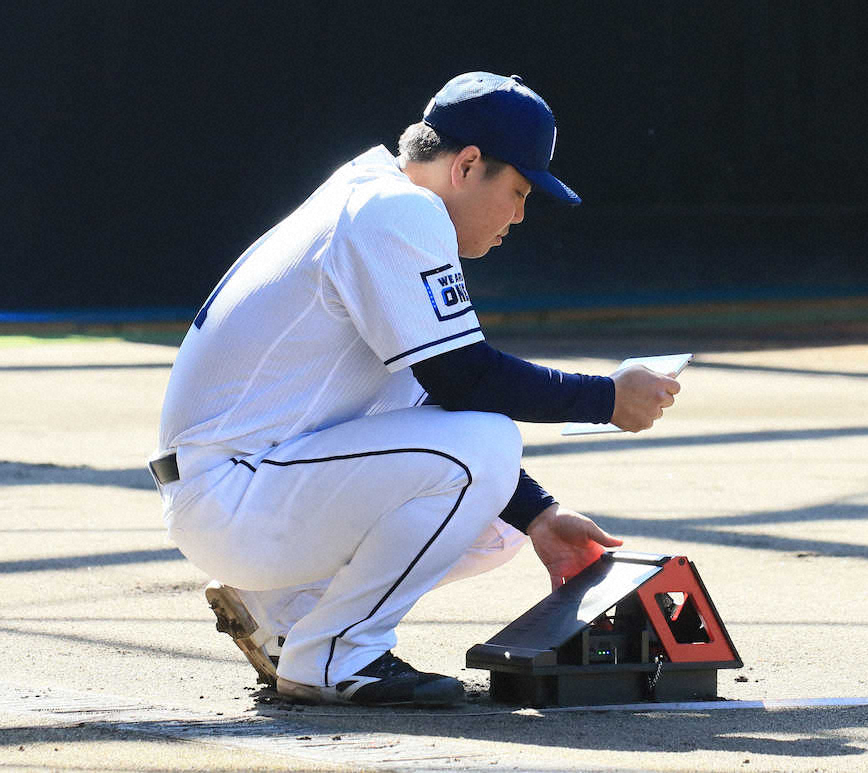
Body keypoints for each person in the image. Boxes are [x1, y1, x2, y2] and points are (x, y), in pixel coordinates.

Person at [149, 72, 680, 708]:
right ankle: (337, 655)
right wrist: (605, 397)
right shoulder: (398, 210)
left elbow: (439, 395)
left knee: (500, 523)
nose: (518, 213)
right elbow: (468, 376)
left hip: (242, 487)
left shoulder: (372, 196)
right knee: (485, 446)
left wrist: (539, 516)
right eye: (517, 190)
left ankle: (287, 615)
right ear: (468, 164)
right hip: (236, 495)